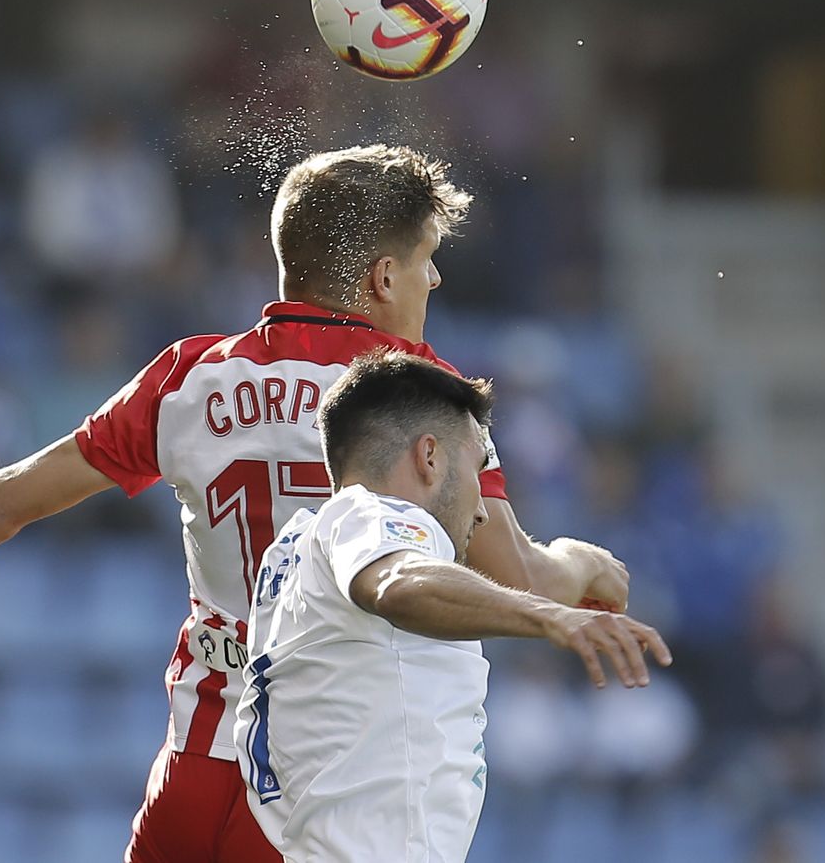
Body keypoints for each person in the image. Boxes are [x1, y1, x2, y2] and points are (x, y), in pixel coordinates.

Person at [0, 144, 632, 863]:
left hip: (196, 769)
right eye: (427, 260)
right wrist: (588, 567)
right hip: (328, 785)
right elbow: (511, 578)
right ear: (383, 277)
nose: (434, 281)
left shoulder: (191, 379)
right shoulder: (422, 396)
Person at [236, 351, 670, 863]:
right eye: (477, 470)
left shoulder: (297, 544)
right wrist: (552, 616)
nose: (482, 506)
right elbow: (397, 582)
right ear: (429, 457)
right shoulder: (370, 514)